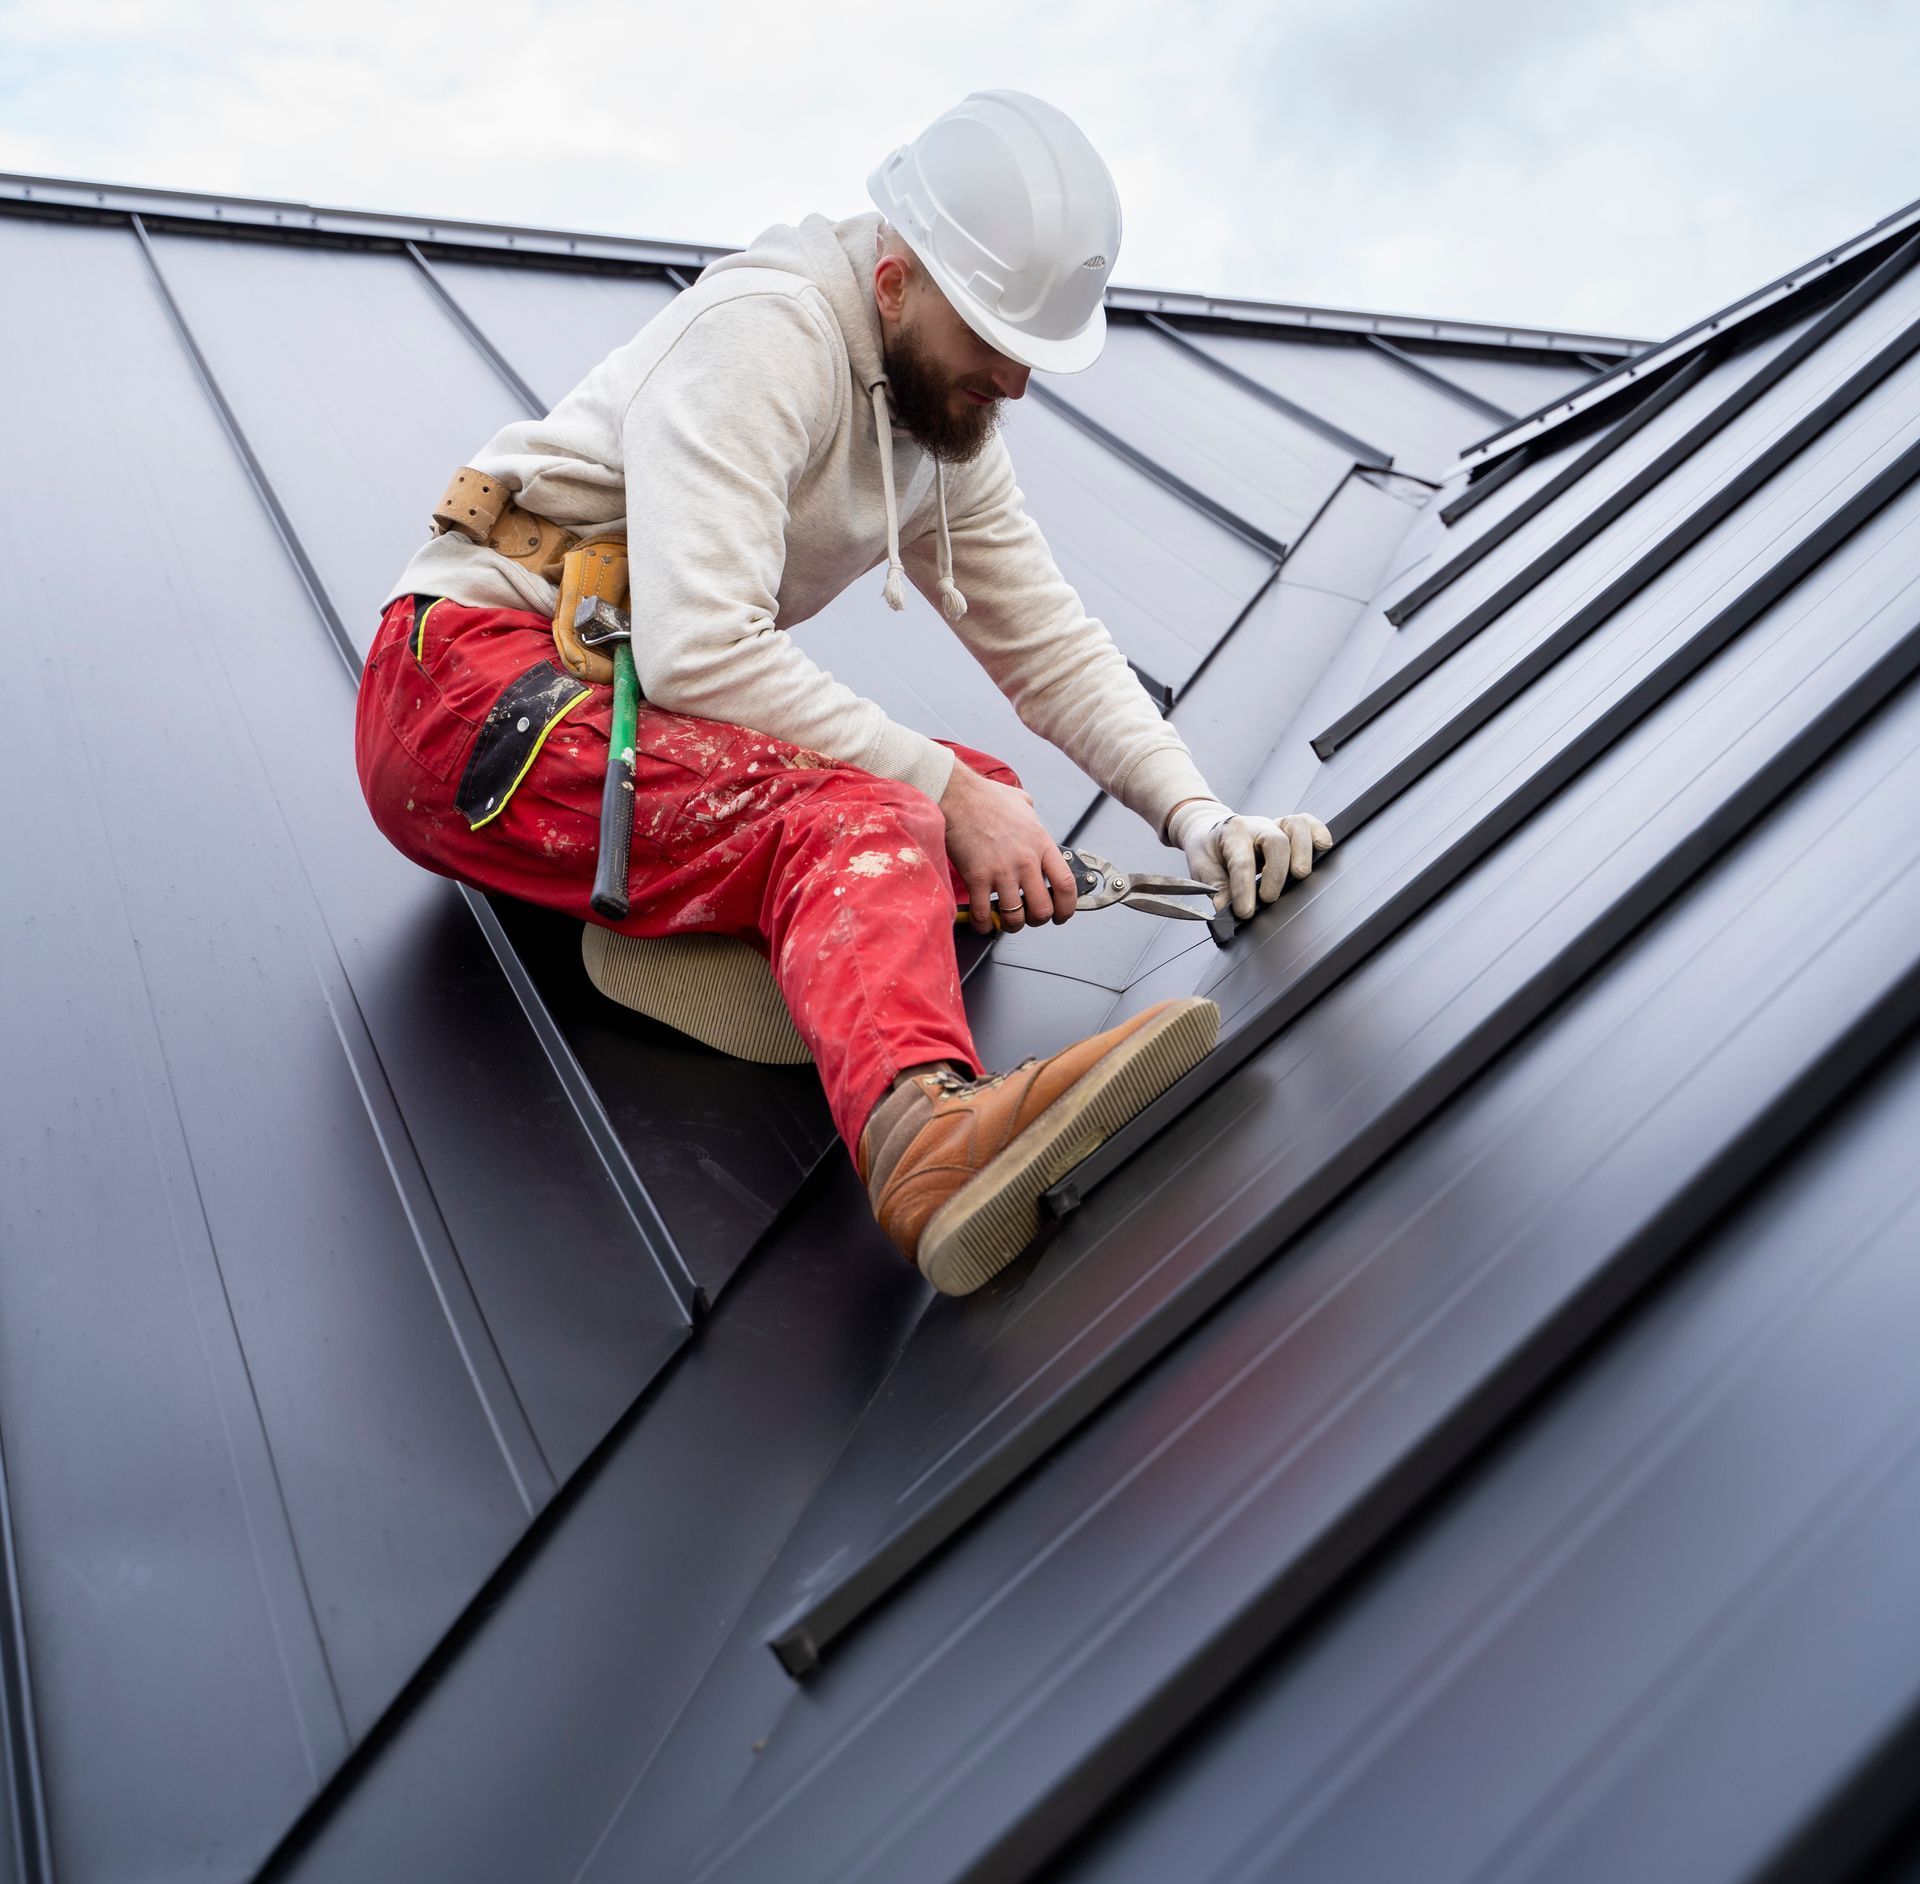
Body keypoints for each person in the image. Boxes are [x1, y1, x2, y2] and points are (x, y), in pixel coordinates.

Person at [354, 88, 1330, 1298]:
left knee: (983, 809)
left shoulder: (942, 420)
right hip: (465, 695)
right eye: (992, 340)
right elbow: (703, 650)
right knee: (881, 817)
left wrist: (1200, 818)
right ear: (895, 283)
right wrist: (932, 797)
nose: (1014, 383)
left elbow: (1051, 649)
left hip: (606, 708)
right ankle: (926, 1138)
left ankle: (703, 935)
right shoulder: (769, 334)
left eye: (1032, 353)